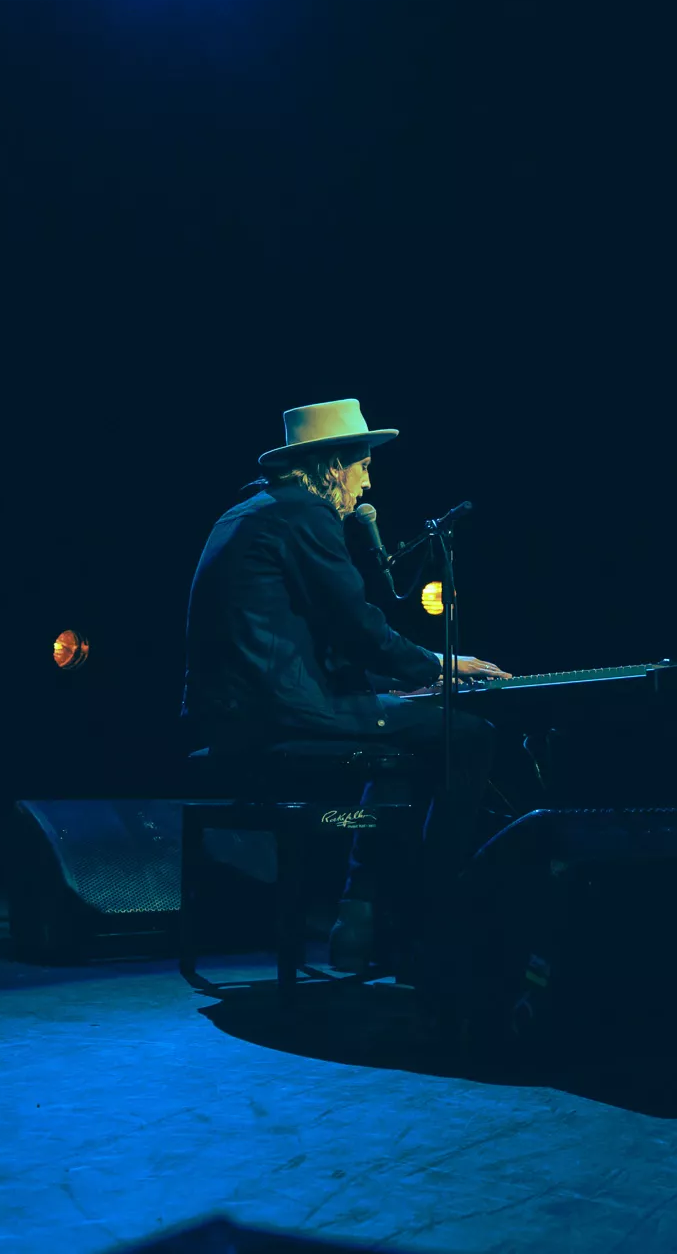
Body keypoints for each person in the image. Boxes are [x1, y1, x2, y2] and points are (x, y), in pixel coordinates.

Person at [182, 398, 509, 974]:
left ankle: (359, 919)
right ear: (334, 467)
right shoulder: (305, 515)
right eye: (363, 466)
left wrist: (398, 684)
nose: (367, 481)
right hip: (277, 712)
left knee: (403, 744)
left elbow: (310, 638)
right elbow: (359, 629)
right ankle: (437, 914)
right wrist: (443, 665)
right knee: (468, 733)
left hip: (234, 713)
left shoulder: (250, 513)